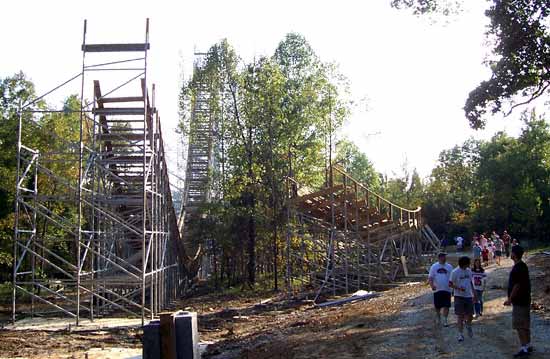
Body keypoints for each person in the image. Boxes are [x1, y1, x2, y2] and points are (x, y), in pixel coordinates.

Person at [504, 245, 533, 357]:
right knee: (525, 324)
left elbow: (517, 285)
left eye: (512, 252)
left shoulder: (518, 268)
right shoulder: (523, 266)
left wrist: (510, 299)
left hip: (520, 301)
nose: (510, 254)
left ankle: (524, 349)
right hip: (525, 299)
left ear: (514, 255)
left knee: (520, 325)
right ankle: (528, 345)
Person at [450, 256, 477, 342]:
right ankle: (460, 334)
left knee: (470, 315)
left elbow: (471, 282)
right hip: (459, 296)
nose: (469, 265)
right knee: (460, 315)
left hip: (468, 295)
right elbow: (450, 284)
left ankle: (468, 325)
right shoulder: (455, 272)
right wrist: (458, 288)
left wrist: (474, 293)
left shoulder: (469, 271)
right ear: (463, 264)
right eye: (468, 264)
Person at [428, 252, 453, 327]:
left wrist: (453, 288)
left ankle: (445, 320)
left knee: (447, 305)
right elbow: (430, 277)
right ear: (439, 258)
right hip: (437, 289)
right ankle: (438, 317)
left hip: (447, 289)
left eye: (445, 257)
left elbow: (452, 278)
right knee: (437, 306)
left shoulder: (449, 266)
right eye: (443, 257)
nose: (444, 258)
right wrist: (432, 285)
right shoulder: (434, 266)